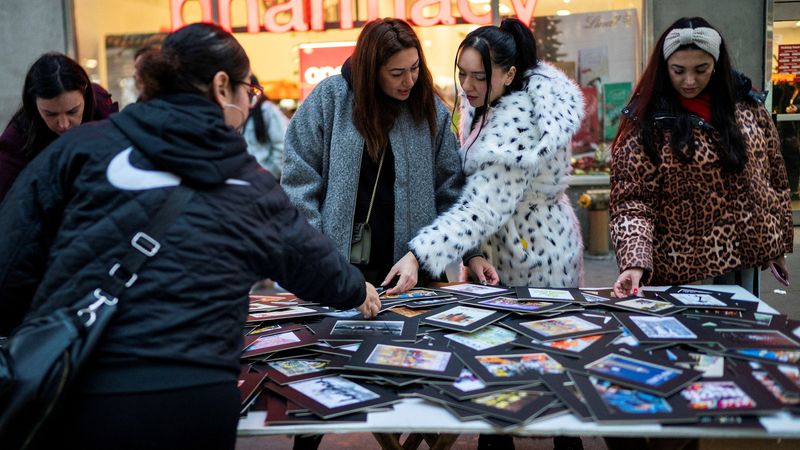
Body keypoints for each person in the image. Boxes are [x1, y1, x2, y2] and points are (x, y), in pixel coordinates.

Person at [0, 22, 379, 450]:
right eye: (247, 92)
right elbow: (312, 265)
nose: (248, 103)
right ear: (222, 87)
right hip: (191, 400)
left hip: (74, 384)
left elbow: (10, 257)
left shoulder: (80, 148)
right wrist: (355, 287)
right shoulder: (247, 182)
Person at [609, 17, 793, 299]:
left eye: (701, 69)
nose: (689, 81)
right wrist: (634, 262)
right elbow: (632, 202)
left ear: (716, 65)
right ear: (664, 68)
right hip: (683, 270)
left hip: (745, 262)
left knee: (741, 340)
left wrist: (776, 244)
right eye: (678, 70)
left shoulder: (748, 107)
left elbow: (774, 180)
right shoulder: (647, 120)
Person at [281, 18, 464, 294]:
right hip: (338, 274)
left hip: (411, 275)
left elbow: (451, 191)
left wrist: (455, 252)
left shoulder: (428, 109)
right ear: (371, 70)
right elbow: (298, 180)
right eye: (396, 72)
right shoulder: (330, 100)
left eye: (415, 68)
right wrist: (317, 255)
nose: (409, 80)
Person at [408, 18, 585, 289]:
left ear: (510, 75)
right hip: (504, 254)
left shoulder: (522, 119)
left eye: (479, 77)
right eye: (462, 73)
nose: (467, 85)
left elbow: (483, 207)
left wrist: (419, 254)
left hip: (536, 258)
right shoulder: (486, 104)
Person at [0, 52, 118, 201]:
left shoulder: (101, 107)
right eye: (50, 114)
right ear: (34, 105)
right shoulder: (16, 140)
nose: (64, 124)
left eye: (73, 111)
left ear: (86, 95)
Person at [243, 75, 289, 179]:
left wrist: (272, 172)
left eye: (255, 91)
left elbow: (281, 144)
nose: (253, 95)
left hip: (266, 176)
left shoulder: (268, 110)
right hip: (249, 176)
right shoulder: (242, 112)